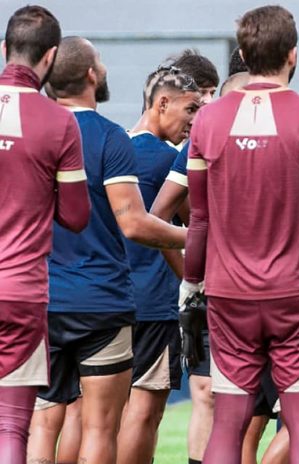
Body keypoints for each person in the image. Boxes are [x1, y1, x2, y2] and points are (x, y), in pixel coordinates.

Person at [180, 6, 299, 463]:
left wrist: (189, 287)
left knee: (228, 421)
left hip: (228, 294)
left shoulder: (207, 119)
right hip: (297, 293)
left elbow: (198, 218)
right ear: (293, 54)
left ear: (242, 53)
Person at [26, 36, 187, 464]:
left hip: (40, 298)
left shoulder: (30, 133)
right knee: (100, 426)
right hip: (101, 301)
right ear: (91, 75)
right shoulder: (111, 138)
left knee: (43, 422)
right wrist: (200, 237)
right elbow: (134, 223)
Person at [151, 53, 290, 464]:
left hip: (261, 292)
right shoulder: (203, 142)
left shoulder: (285, 136)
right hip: (246, 294)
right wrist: (195, 273)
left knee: (255, 413)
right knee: (227, 405)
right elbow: (158, 216)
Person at [0, 7, 90, 464]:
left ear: (3, 50)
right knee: (12, 428)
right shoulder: (59, 122)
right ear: (51, 57)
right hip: (20, 291)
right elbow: (76, 216)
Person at [115, 65, 201, 464]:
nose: (193, 121)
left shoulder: (109, 150)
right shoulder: (171, 160)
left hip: (108, 301)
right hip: (154, 303)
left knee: (103, 416)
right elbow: (194, 224)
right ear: (161, 103)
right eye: (190, 109)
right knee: (145, 412)